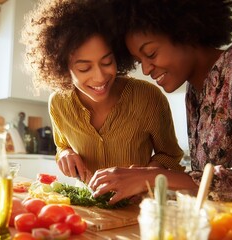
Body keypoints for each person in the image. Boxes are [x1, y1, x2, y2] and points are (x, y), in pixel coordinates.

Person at [88, 0, 232, 225]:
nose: (146, 69)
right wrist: (151, 186)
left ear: (185, 31)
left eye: (151, 53)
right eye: (140, 61)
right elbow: (209, 183)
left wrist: (153, 178)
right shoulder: (194, 92)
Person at [21, 0, 184, 185]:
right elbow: (62, 145)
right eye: (84, 68)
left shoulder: (148, 97)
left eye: (107, 63)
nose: (100, 77)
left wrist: (142, 176)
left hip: (137, 208)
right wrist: (65, 154)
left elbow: (170, 156)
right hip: (88, 207)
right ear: (62, 68)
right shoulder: (59, 103)